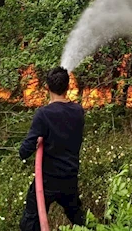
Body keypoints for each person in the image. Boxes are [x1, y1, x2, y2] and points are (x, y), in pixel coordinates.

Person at [19, 66, 86, 230]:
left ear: (47, 87)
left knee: (30, 222)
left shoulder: (43, 114)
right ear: (68, 87)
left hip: (47, 181)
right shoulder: (79, 111)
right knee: (79, 218)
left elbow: (24, 151)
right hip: (70, 177)